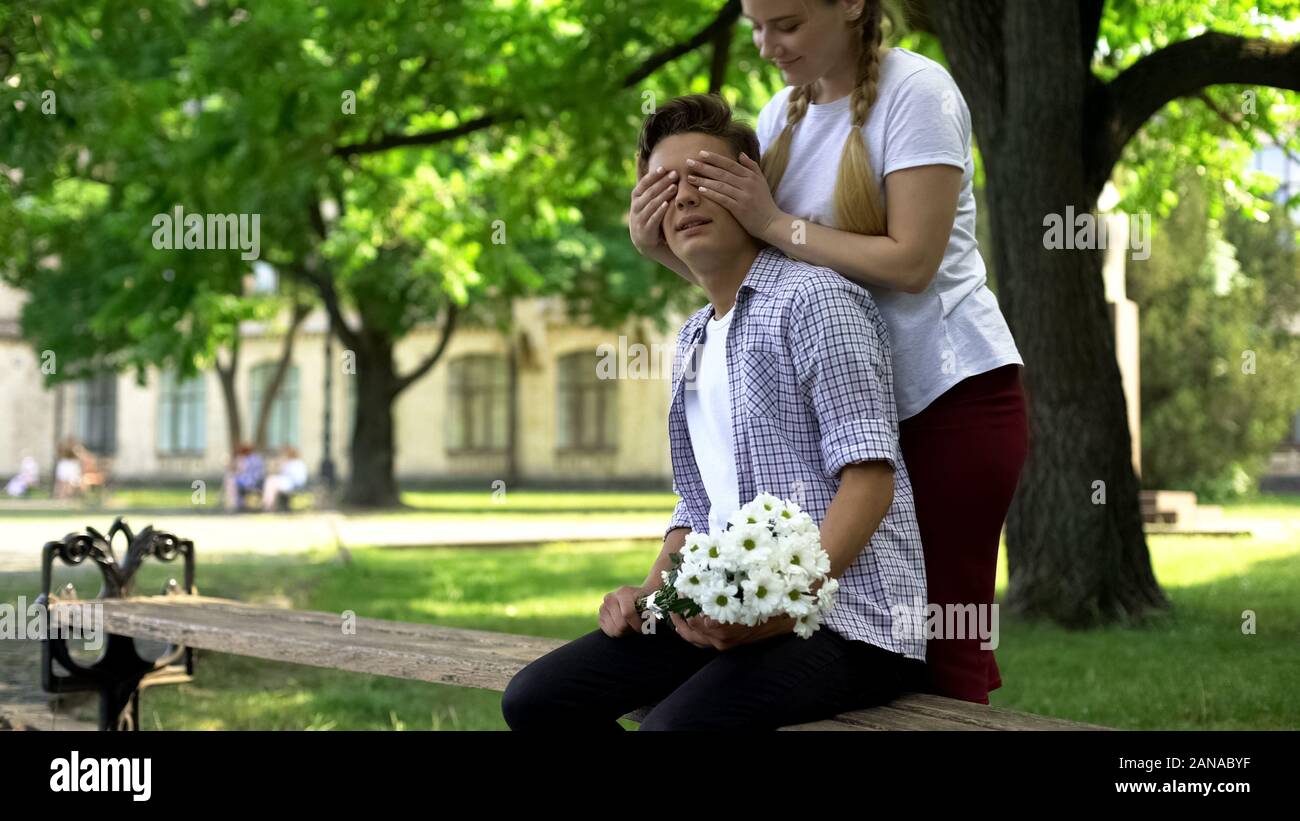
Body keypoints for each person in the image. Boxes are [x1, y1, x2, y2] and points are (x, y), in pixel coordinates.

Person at [627, 0, 1027, 705]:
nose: (765, 44)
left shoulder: (918, 91)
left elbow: (912, 262)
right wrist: (660, 249)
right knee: (826, 648)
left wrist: (775, 219)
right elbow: (762, 275)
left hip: (948, 399)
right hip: (851, 409)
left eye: (786, 23)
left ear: (850, 5)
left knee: (941, 638)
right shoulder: (783, 117)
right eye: (755, 25)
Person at [503, 94, 926, 731]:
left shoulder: (818, 301)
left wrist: (782, 612)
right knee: (536, 699)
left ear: (752, 186)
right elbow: (695, 510)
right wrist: (651, 597)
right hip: (727, 610)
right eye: (664, 187)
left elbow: (869, 481)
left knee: (669, 730)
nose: (685, 198)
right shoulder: (696, 336)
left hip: (851, 623)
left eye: (704, 178)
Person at [262, 445, 308, 511]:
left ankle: (268, 505)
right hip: (289, 482)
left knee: (271, 481)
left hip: (293, 484)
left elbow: (297, 478)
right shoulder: (291, 463)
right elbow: (281, 473)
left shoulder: (296, 463)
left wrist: (283, 464)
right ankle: (269, 504)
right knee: (271, 481)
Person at [223, 443, 265, 512]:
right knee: (231, 480)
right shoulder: (257, 458)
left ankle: (233, 504)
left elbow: (240, 471)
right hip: (255, 482)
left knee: (230, 480)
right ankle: (236, 503)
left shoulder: (246, 460)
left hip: (250, 482)